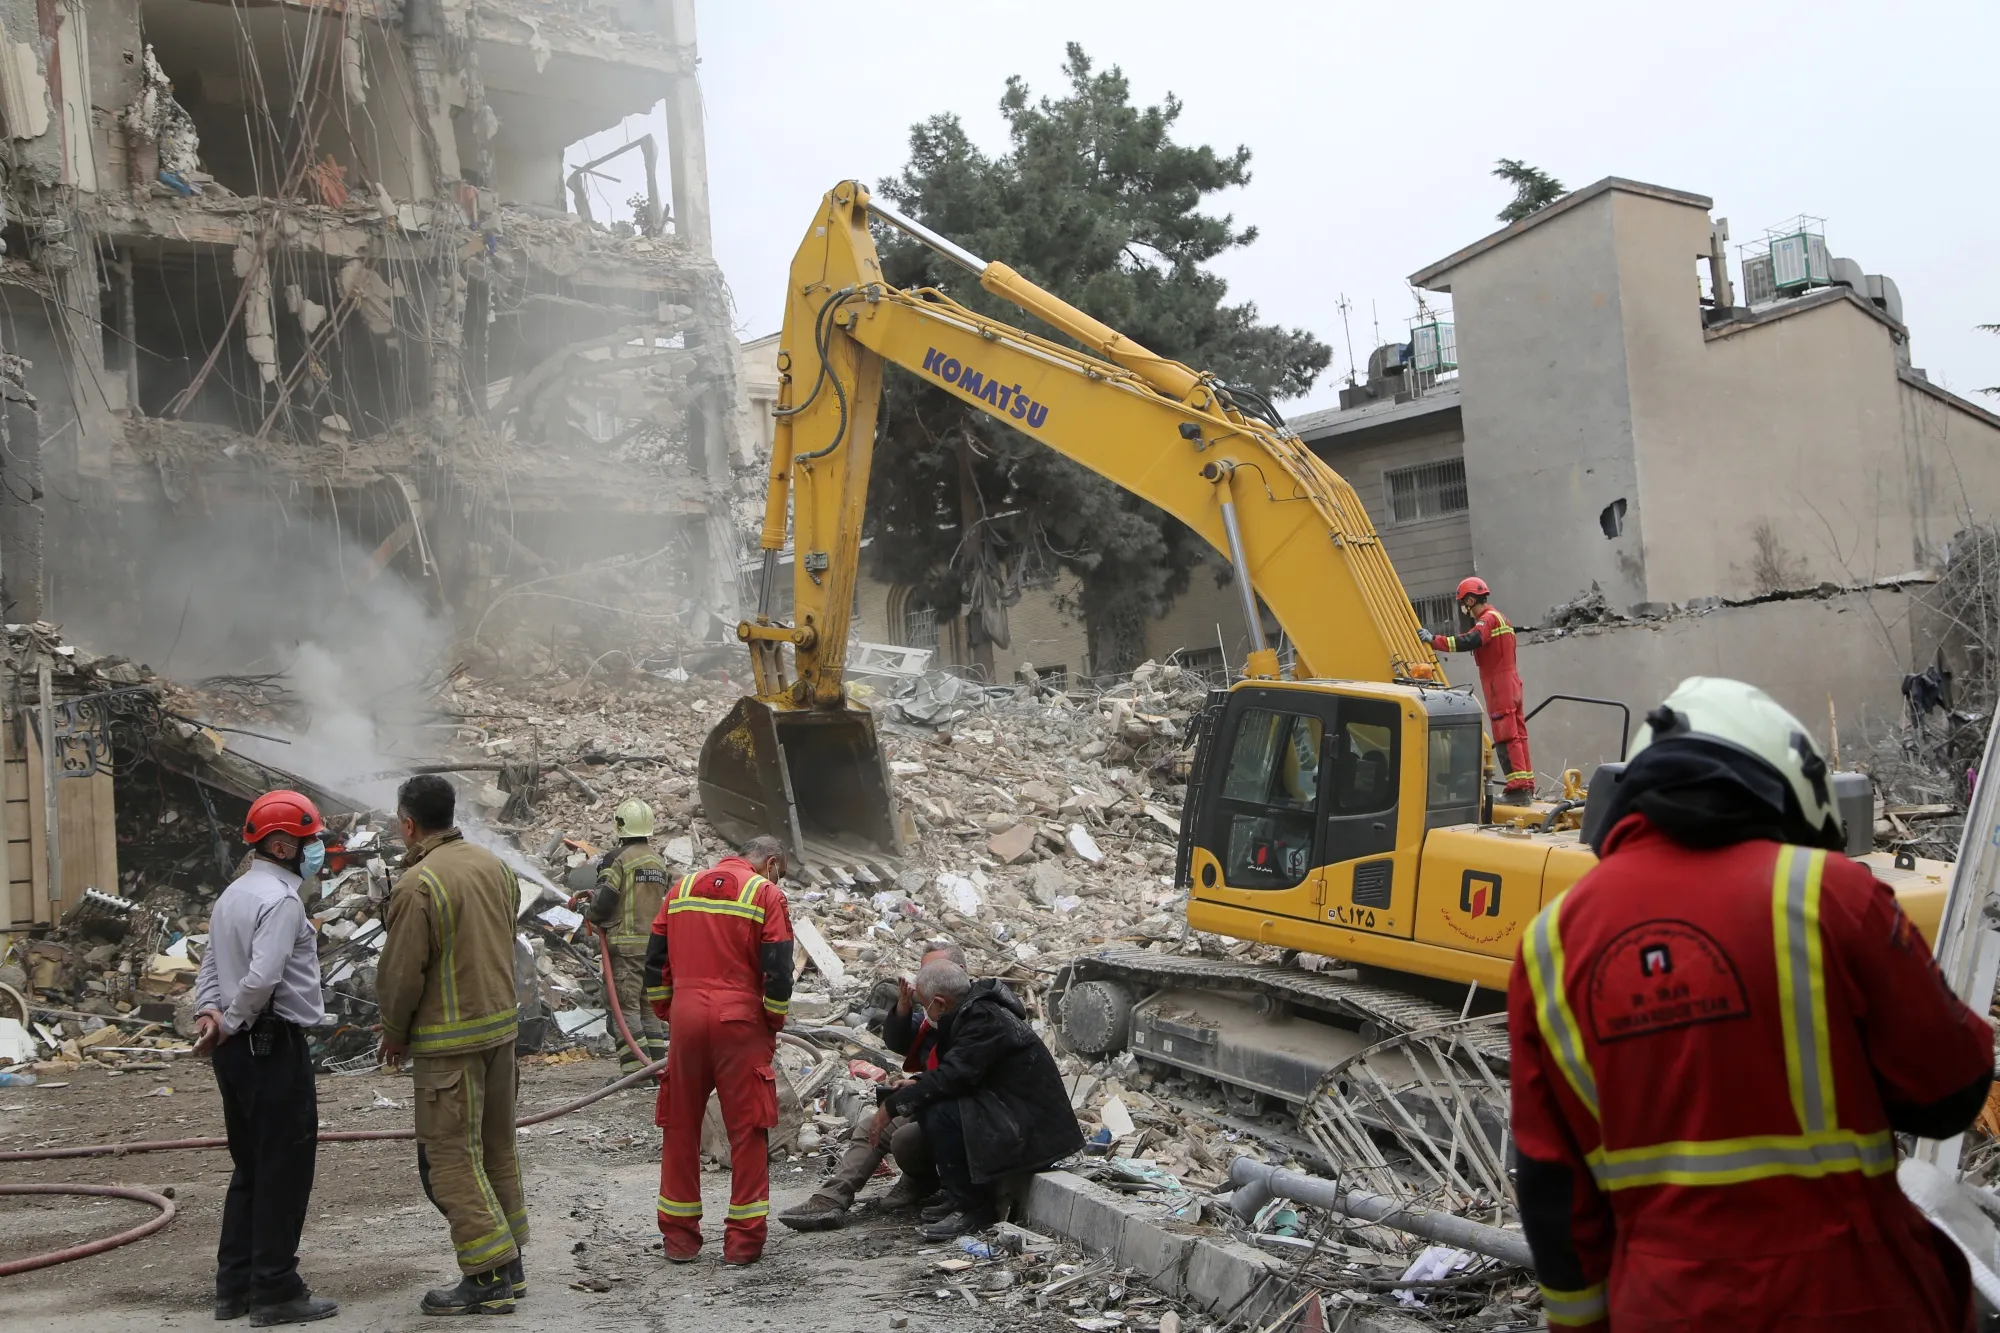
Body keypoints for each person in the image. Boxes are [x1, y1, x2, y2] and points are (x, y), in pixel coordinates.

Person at [1509, 677, 1995, 1332]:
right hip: (1853, 1297)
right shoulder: (1829, 895)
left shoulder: (1550, 945)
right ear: (1777, 778)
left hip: (1663, 1307)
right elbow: (1954, 1090)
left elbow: (1551, 1189)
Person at [376, 774, 529, 1316]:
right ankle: (511, 1266)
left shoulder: (419, 884)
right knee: (496, 1150)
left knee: (452, 1158)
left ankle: (485, 1276)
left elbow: (402, 974)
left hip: (449, 1046)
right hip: (500, 1033)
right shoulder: (495, 867)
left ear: (409, 824)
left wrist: (394, 1033)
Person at [191, 789, 340, 1328]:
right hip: (270, 1046)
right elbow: (261, 978)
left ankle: (235, 1288)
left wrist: (208, 1016)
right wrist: (229, 1019)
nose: (318, 849)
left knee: (250, 1169)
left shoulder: (233, 894)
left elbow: (210, 965)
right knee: (284, 1171)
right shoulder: (281, 901)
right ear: (281, 843)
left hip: (236, 1051)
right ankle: (276, 1289)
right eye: (311, 841)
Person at [645, 835, 795, 1265]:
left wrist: (669, 1010)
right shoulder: (765, 893)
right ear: (769, 862)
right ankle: (743, 1244)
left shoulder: (682, 888)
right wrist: (772, 1021)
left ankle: (679, 1240)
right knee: (747, 1131)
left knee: (680, 1127)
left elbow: (655, 959)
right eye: (779, 871)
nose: (778, 878)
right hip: (740, 1023)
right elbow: (778, 968)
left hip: (687, 1018)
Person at [878, 960, 1082, 1241]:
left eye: (925, 1006)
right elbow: (958, 1069)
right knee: (932, 1105)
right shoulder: (970, 1012)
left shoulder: (984, 1019)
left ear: (939, 1003)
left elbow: (954, 1076)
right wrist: (914, 1086)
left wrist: (892, 1106)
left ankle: (974, 1209)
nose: (925, 1014)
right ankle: (957, 1197)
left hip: (1031, 1129)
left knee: (941, 1114)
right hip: (1011, 1110)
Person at [777, 941, 965, 1231]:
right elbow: (903, 1044)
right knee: (870, 1126)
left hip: (960, 1111)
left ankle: (921, 1180)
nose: (922, 983)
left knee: (905, 1137)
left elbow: (957, 1074)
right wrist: (902, 1010)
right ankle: (830, 1199)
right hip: (933, 1097)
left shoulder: (973, 1017)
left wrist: (914, 1089)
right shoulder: (934, 1015)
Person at [579, 798, 671, 1074]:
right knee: (646, 1007)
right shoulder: (658, 861)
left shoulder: (617, 859)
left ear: (619, 825)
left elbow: (606, 899)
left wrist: (587, 910)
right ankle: (656, 1070)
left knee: (625, 1008)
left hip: (625, 947)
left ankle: (635, 1074)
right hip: (653, 947)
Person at [1425, 575, 1535, 802]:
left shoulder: (1487, 620)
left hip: (1499, 685)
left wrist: (1434, 640)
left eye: (1464, 603)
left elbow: (1471, 640)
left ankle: (1517, 789)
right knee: (1519, 735)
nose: (1465, 608)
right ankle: (1526, 785)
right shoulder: (1502, 618)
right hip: (1511, 683)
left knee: (1506, 735)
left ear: (1471, 600)